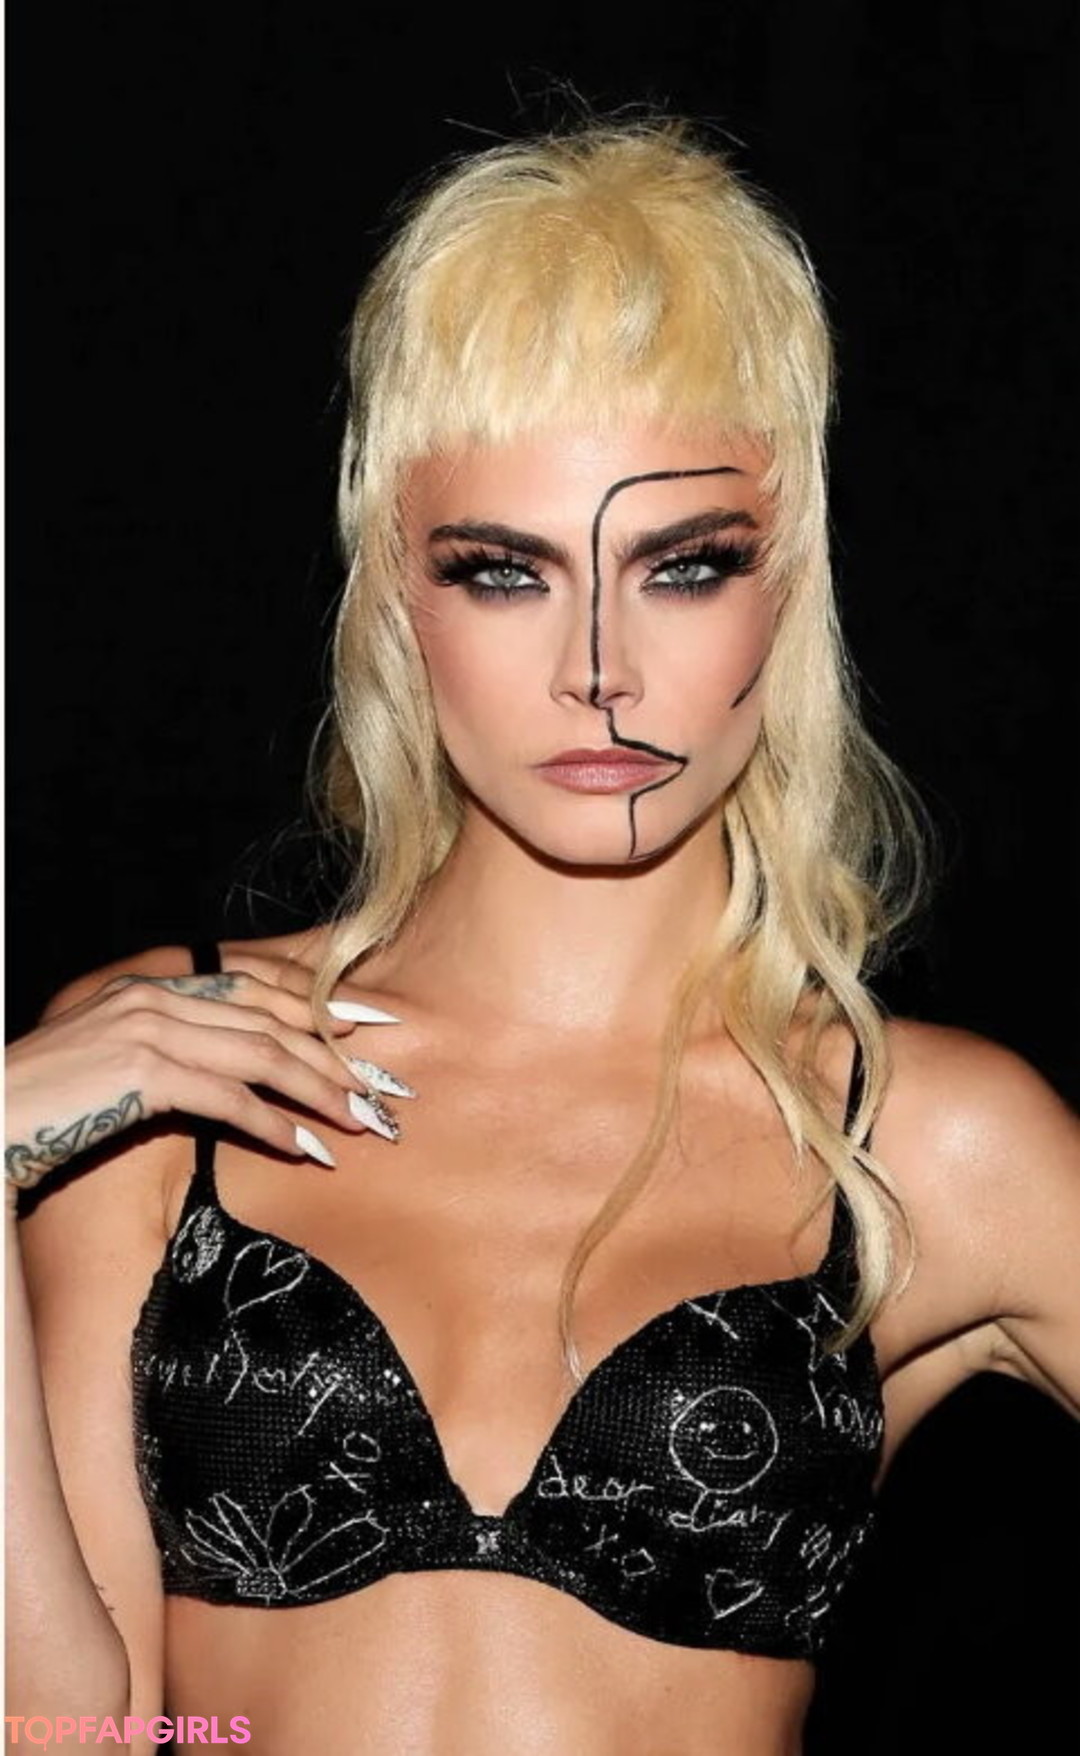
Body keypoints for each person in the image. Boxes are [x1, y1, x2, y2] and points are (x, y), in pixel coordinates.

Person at [6, 119, 1078, 1756]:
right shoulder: (169, 1069)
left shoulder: (928, 1139)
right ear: (397, 596)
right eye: (503, 572)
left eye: (683, 567)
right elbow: (70, 1737)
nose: (598, 668)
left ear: (787, 587)